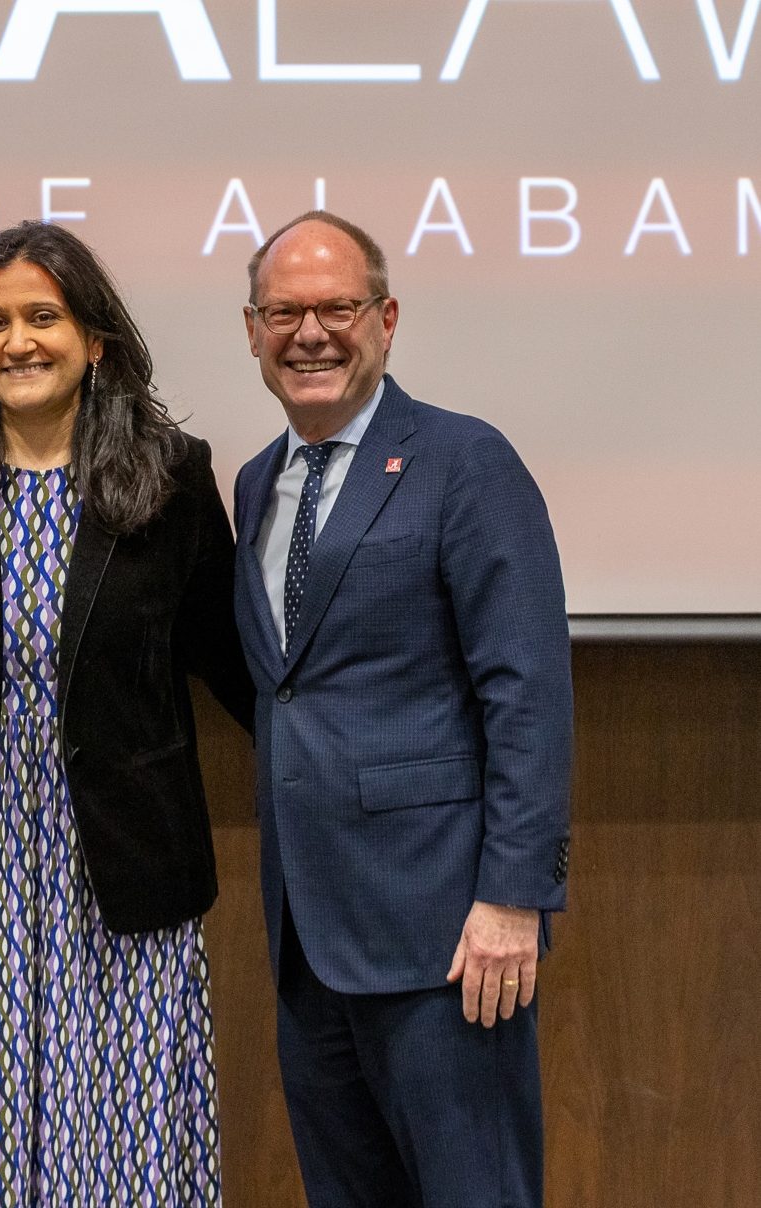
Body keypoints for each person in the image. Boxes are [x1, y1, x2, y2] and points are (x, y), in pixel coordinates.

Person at [0, 220, 254, 1205]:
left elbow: (230, 658)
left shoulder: (171, 474)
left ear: (95, 340)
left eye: (43, 316)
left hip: (119, 880)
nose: (18, 341)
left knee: (120, 1158)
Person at [232, 211, 573, 1208]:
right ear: (250, 330)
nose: (311, 332)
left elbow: (531, 690)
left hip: (450, 938)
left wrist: (520, 895)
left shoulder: (465, 462)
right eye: (284, 311)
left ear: (384, 318)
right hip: (310, 935)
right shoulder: (258, 482)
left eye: (336, 307)